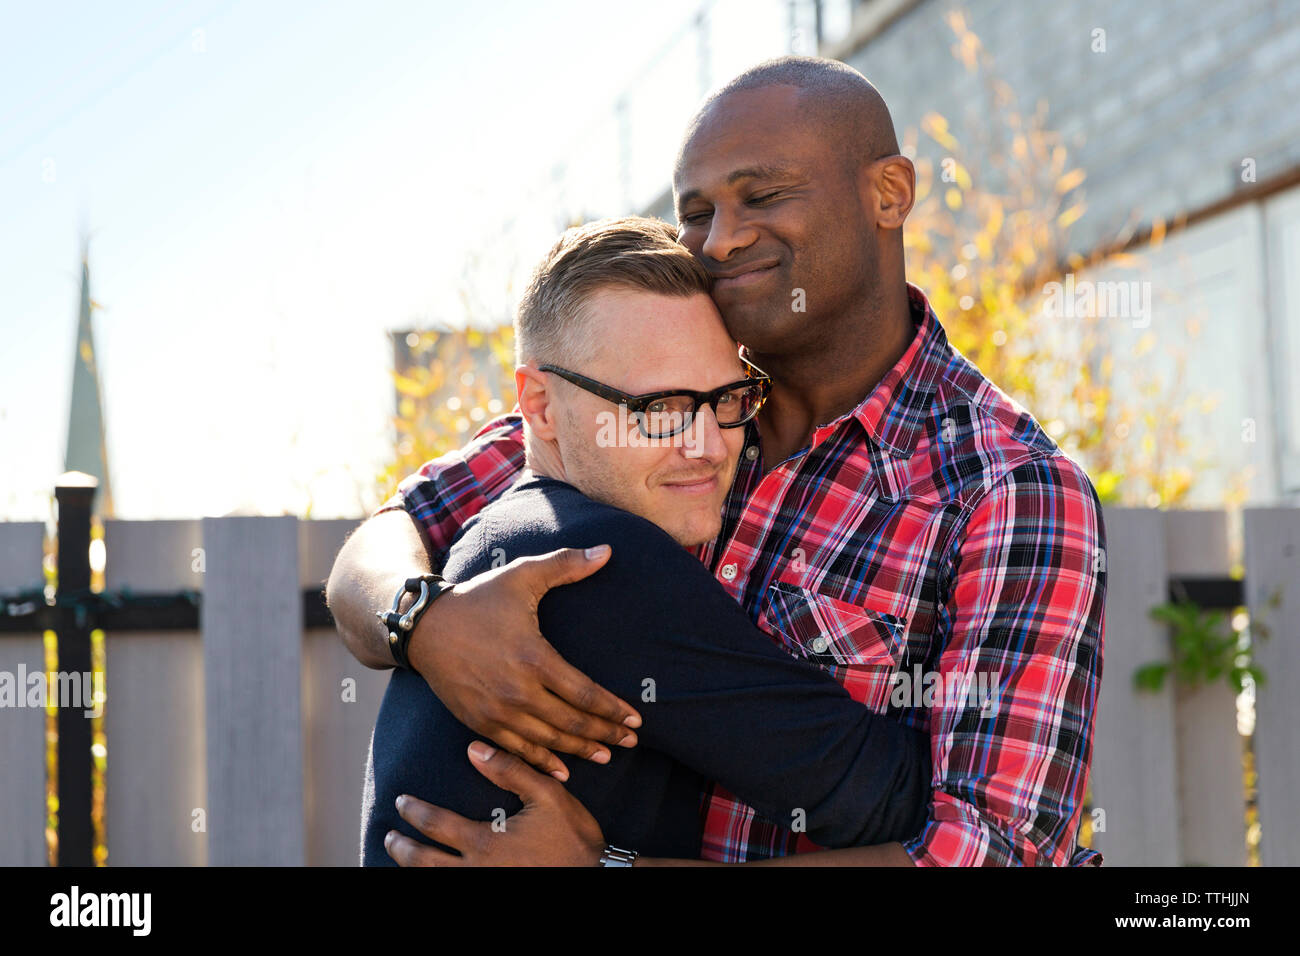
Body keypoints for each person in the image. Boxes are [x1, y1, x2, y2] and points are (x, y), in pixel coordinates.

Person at [328, 56, 1107, 867]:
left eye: (762, 196)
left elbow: (993, 852)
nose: (722, 239)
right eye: (696, 212)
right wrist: (424, 621)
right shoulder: (643, 404)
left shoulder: (1005, 487)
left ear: (889, 194)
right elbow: (379, 546)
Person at [360, 217, 932, 866]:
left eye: (729, 398)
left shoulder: (501, 533)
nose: (710, 446)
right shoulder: (596, 564)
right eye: (659, 409)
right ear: (542, 408)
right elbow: (887, 796)